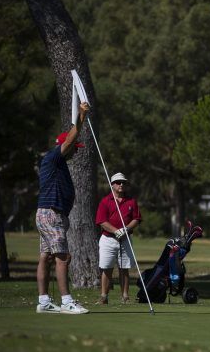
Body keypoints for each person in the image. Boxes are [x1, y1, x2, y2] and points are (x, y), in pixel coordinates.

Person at [35, 102, 90, 314]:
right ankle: (67, 302)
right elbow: (70, 138)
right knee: (62, 257)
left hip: (48, 214)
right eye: (74, 149)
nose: (76, 152)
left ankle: (44, 302)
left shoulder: (58, 164)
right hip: (51, 214)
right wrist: (82, 115)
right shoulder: (55, 157)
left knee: (46, 257)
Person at [95, 172, 141, 305]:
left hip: (125, 238)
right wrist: (116, 231)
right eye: (118, 182)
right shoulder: (105, 201)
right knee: (106, 268)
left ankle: (125, 297)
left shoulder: (131, 201)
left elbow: (137, 219)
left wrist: (125, 229)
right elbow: (101, 221)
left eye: (123, 182)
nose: (121, 184)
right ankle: (104, 297)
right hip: (108, 239)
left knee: (124, 268)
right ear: (112, 184)